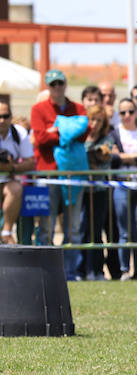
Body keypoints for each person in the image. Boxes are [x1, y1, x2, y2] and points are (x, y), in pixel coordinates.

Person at [30, 69, 88, 267]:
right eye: (53, 84)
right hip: (48, 173)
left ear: (65, 84)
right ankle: (45, 268)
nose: (57, 87)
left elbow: (84, 134)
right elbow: (40, 138)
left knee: (73, 226)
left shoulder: (78, 108)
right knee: (47, 225)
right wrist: (69, 130)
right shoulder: (39, 109)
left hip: (74, 173)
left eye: (60, 83)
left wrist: (56, 130)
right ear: (48, 86)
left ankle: (72, 269)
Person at [80, 105, 121, 280]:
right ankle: (81, 269)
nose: (95, 124)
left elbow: (103, 157)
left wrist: (91, 158)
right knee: (80, 230)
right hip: (80, 191)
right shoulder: (80, 139)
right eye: (92, 119)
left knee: (95, 231)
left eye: (99, 120)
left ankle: (96, 270)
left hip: (99, 191)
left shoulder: (107, 139)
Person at [113, 97, 137, 279]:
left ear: (136, 113)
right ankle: (125, 269)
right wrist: (136, 156)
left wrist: (124, 156)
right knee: (124, 231)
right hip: (121, 185)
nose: (127, 115)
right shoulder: (115, 133)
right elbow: (113, 157)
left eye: (131, 112)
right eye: (123, 112)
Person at [0, 101, 34, 244]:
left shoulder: (19, 133)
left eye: (5, 116)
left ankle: (6, 233)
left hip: (8, 180)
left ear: (11, 116)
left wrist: (11, 167)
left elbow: (30, 161)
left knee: (16, 189)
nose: (2, 120)